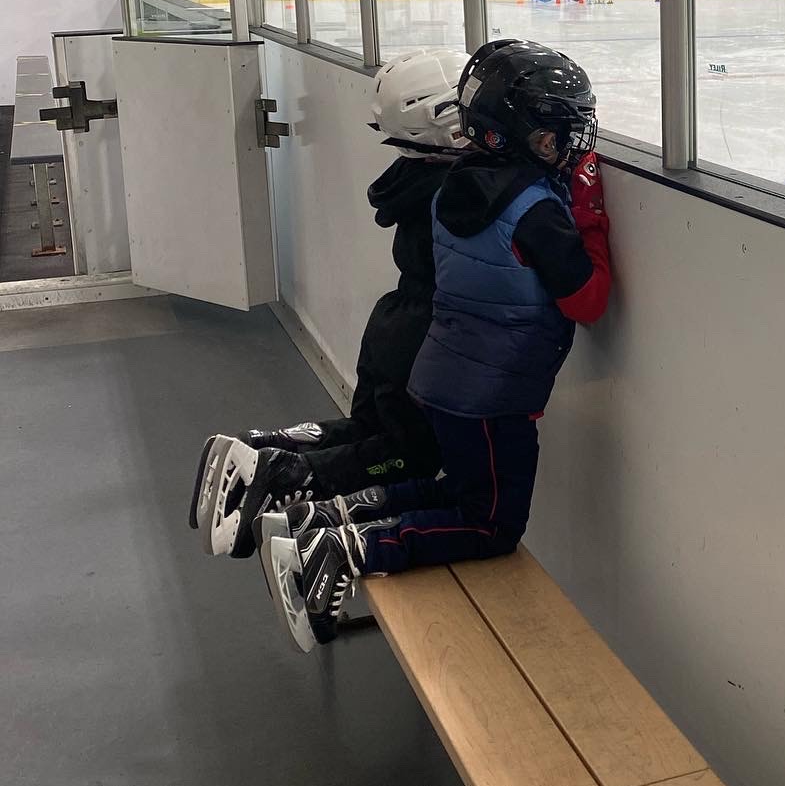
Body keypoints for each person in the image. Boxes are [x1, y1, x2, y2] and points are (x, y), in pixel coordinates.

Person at [258, 40, 613, 653]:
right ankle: (350, 546)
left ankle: (328, 514)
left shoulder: (451, 186)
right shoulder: (537, 212)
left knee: (457, 488)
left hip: (445, 379)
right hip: (493, 399)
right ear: (517, 136)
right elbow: (588, 299)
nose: (569, 145)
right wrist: (589, 212)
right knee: (492, 525)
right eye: (557, 134)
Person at [189, 47, 480, 559]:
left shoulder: (413, 174)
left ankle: (261, 446)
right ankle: (290, 472)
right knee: (406, 454)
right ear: (446, 122)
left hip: (394, 321)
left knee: (370, 430)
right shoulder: (459, 189)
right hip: (425, 336)